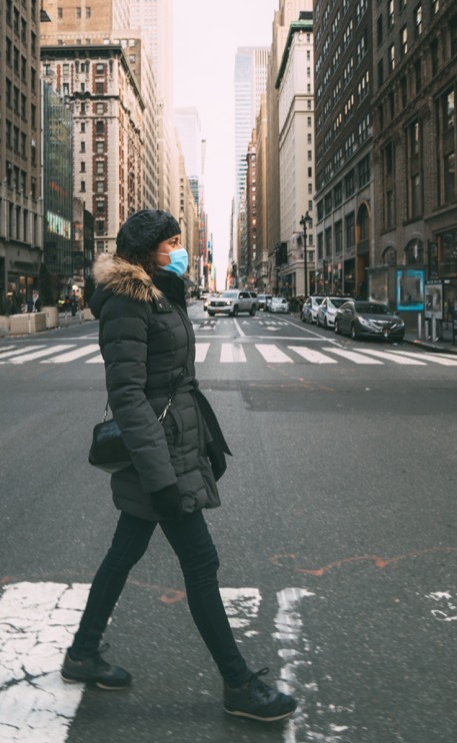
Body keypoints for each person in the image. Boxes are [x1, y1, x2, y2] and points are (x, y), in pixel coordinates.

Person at [63, 209, 297, 723]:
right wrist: (161, 476)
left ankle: (82, 652)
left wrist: (206, 440)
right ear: (147, 250)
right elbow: (128, 396)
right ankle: (237, 684)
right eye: (171, 242)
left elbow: (175, 381)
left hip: (172, 446)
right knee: (201, 563)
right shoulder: (128, 301)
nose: (179, 248)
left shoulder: (159, 292)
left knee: (123, 553)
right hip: (159, 456)